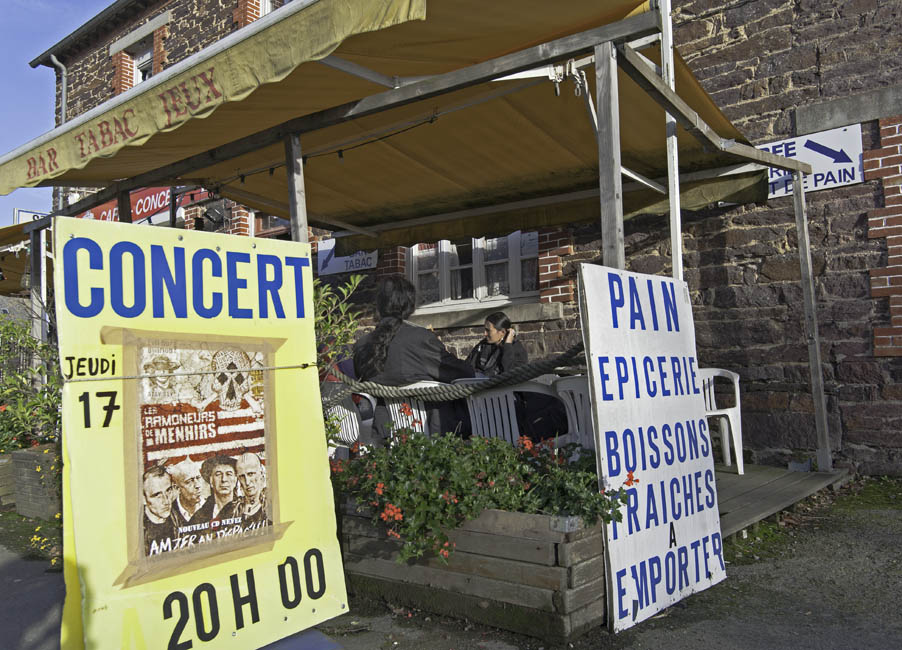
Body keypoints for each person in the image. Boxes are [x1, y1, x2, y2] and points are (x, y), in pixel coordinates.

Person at [354, 275, 474, 441]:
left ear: (380, 305)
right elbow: (463, 372)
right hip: (432, 431)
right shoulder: (420, 338)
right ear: (408, 305)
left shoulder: (361, 345)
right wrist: (441, 349)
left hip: (387, 433)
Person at [466, 311, 528, 377]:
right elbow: (468, 365)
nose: (485, 334)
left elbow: (511, 374)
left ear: (502, 332)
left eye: (488, 330)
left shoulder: (517, 350)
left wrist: (507, 345)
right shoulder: (483, 345)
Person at [142, 465, 178, 556]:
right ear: (143, 499)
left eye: (168, 491)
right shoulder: (138, 530)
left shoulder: (177, 518)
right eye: (157, 495)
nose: (166, 501)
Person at [169, 456, 211, 528]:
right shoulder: (169, 514)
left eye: (198, 478)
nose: (197, 485)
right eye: (189, 481)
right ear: (177, 488)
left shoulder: (211, 506)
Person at [235, 452, 270, 527]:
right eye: (242, 476)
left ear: (261, 474)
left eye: (250, 474)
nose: (247, 482)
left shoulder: (272, 504)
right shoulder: (234, 510)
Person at [200, 455, 237, 521]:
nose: (224, 479)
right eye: (218, 474)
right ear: (211, 481)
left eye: (229, 474)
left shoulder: (246, 510)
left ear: (235, 480)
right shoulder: (200, 516)